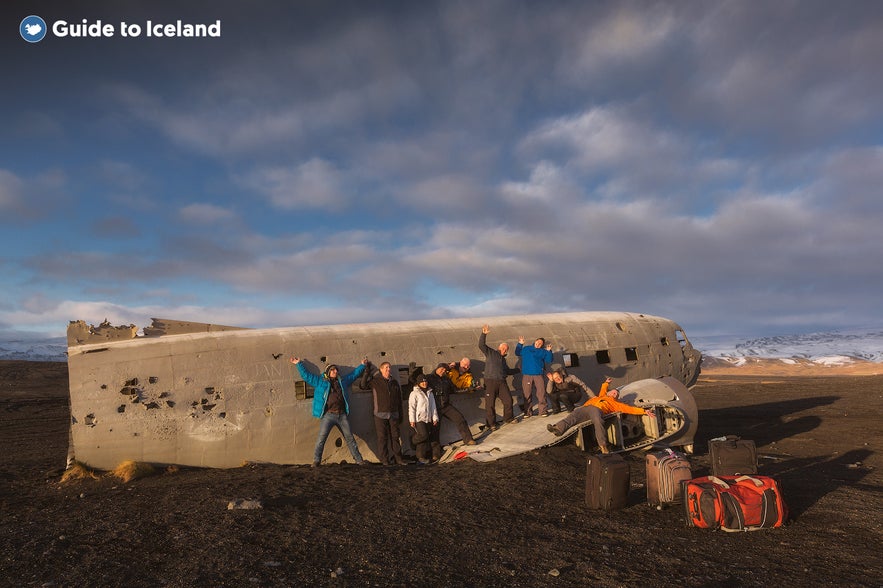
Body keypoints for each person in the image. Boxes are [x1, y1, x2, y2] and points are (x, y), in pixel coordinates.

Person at [290, 356, 367, 466]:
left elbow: (353, 375)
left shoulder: (342, 381)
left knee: (350, 438)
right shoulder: (320, 382)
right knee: (321, 439)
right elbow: (306, 376)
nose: (336, 371)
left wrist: (363, 365)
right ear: (328, 372)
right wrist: (298, 364)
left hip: (342, 415)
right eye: (333, 370)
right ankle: (316, 461)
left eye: (336, 370)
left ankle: (359, 460)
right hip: (328, 415)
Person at [546, 377, 655, 453]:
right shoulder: (601, 396)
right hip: (585, 408)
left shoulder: (615, 404)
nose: (614, 393)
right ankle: (558, 429)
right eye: (613, 392)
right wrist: (606, 383)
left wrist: (644, 411)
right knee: (573, 416)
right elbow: (603, 389)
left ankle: (603, 445)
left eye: (616, 394)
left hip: (596, 410)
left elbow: (630, 409)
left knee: (598, 421)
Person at [478, 324, 519, 430]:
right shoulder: (491, 353)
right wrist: (484, 334)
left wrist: (519, 369)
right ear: (499, 347)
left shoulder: (503, 360)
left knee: (508, 400)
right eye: (504, 348)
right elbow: (481, 345)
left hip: (501, 382)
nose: (505, 350)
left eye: (507, 349)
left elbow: (507, 371)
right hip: (490, 381)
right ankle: (491, 424)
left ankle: (508, 418)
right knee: (490, 404)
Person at [427, 362, 477, 447]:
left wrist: (469, 389)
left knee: (460, 419)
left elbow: (455, 390)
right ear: (437, 368)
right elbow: (418, 382)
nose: (443, 371)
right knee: (435, 430)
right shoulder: (429, 378)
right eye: (441, 369)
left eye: (445, 370)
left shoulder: (446, 379)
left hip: (446, 406)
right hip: (435, 408)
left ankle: (468, 440)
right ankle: (435, 452)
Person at [368, 361, 406, 466]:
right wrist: (367, 369)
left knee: (395, 437)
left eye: (389, 367)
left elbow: (399, 400)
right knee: (382, 438)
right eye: (386, 367)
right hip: (380, 414)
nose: (388, 369)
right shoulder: (375, 382)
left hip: (394, 414)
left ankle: (398, 459)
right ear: (381, 369)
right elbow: (362, 385)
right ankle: (384, 460)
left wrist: (400, 414)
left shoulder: (394, 382)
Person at [515, 335, 553, 418]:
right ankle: (527, 412)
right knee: (527, 394)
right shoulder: (526, 349)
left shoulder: (542, 351)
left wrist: (549, 351)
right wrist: (520, 344)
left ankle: (543, 411)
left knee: (541, 393)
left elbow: (549, 360)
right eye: (538, 342)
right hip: (527, 375)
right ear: (535, 341)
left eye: (540, 343)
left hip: (538, 374)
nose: (538, 344)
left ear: (542, 345)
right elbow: (517, 352)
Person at [408, 374, 439, 464]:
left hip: (428, 418)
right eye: (422, 382)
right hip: (419, 418)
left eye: (425, 381)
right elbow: (412, 407)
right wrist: (412, 420)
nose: (424, 383)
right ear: (418, 383)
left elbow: (433, 406)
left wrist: (435, 418)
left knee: (425, 438)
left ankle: (421, 457)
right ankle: (413, 441)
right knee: (423, 435)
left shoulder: (430, 392)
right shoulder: (414, 393)